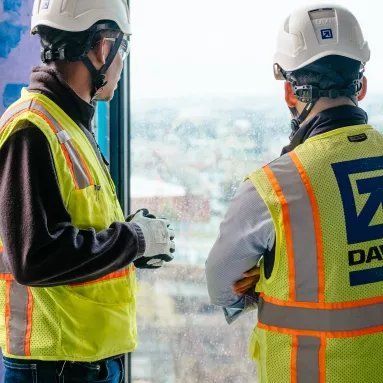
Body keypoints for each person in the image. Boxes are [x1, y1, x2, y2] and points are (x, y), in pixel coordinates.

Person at [206, 4, 383, 382]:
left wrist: (262, 285)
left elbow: (221, 283)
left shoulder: (273, 188)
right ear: (362, 86)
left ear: (290, 92)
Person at [0, 0, 175, 382]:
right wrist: (133, 241)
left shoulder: (68, 123)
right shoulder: (33, 128)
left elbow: (75, 226)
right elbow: (35, 255)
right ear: (101, 46)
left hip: (81, 360)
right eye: (122, 48)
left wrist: (134, 240)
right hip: (56, 367)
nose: (121, 61)